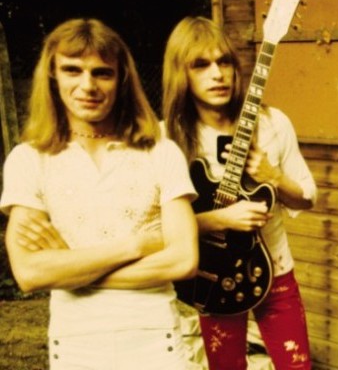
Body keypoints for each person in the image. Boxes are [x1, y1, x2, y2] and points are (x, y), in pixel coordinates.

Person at [0, 18, 199, 369]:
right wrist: (135, 246)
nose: (87, 85)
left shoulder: (161, 152)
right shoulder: (29, 159)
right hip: (76, 344)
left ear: (122, 78)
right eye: (72, 70)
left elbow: (183, 261)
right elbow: (31, 273)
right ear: (53, 76)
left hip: (157, 340)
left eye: (102, 73)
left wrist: (70, 268)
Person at [161, 16, 317, 370]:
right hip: (212, 275)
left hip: (275, 272)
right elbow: (156, 227)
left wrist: (273, 176)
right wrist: (220, 219)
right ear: (181, 74)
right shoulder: (168, 138)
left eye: (224, 62)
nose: (217, 74)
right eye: (201, 65)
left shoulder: (273, 123)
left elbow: (307, 197)